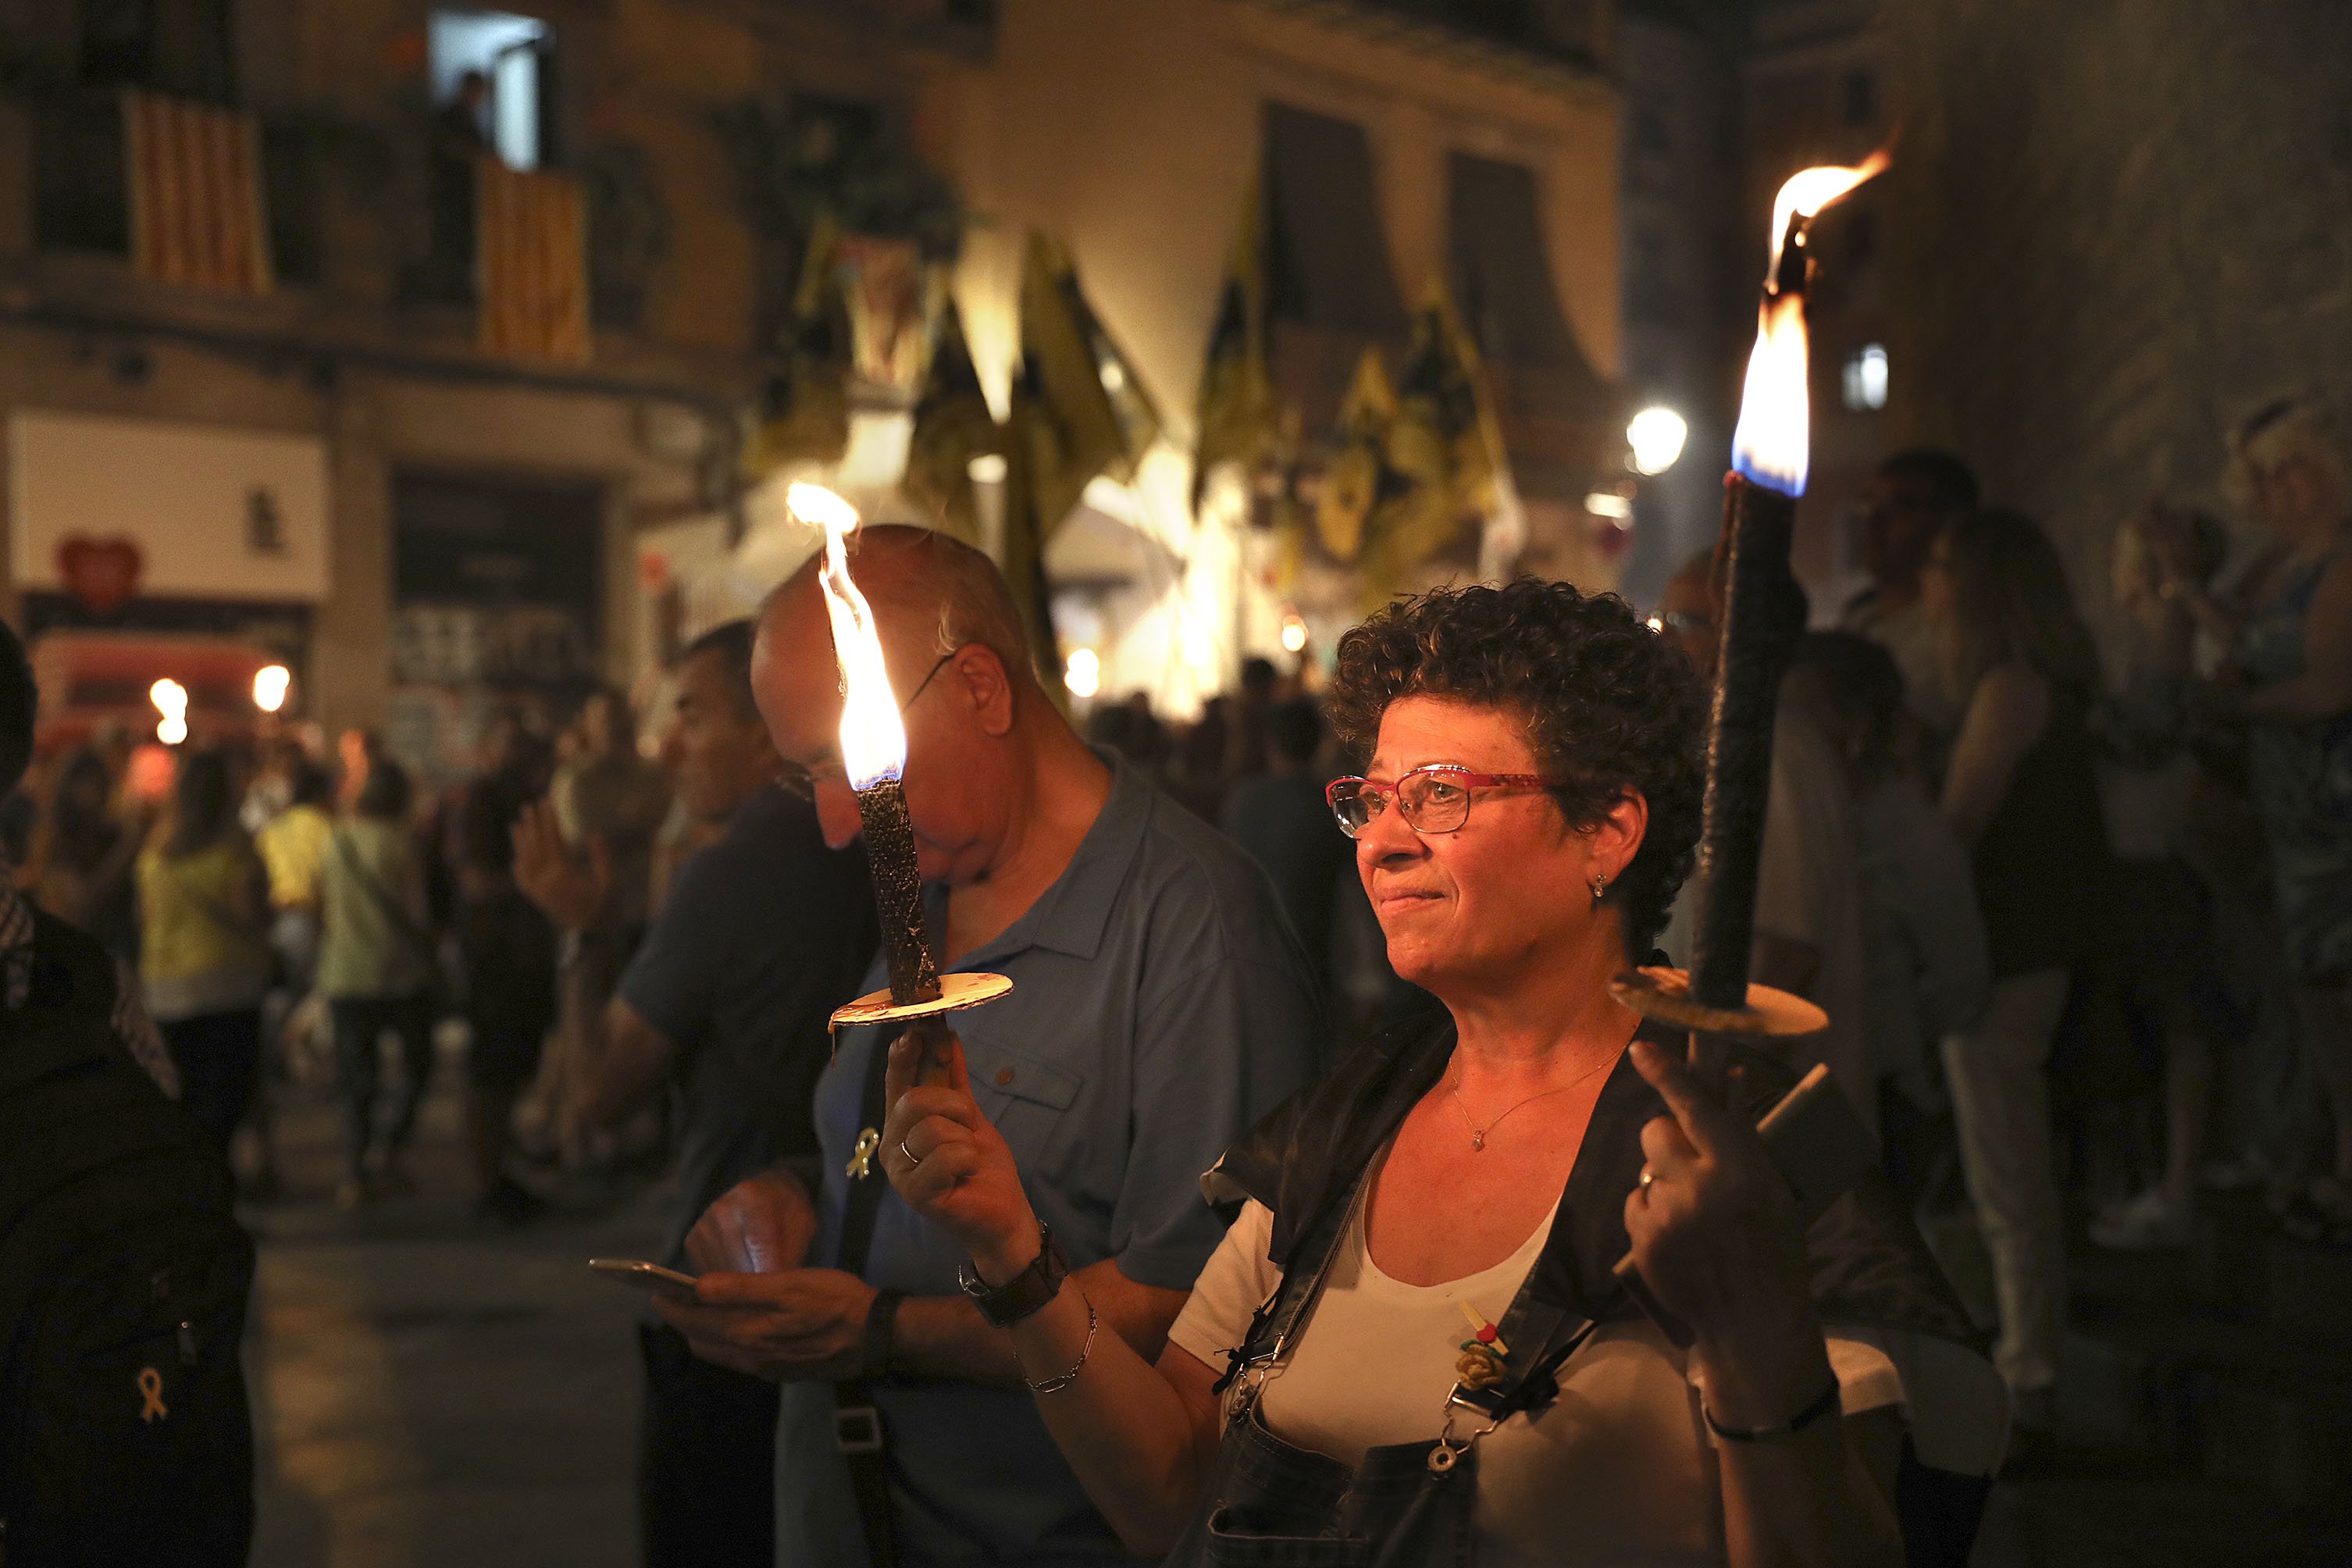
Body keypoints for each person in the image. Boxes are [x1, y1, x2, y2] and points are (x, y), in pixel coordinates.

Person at [874, 578, 2001, 1567]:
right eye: (1371, 798)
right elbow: (1166, 1496)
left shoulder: (1740, 1165)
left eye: (1444, 795)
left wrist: (1757, 1333)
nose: (1383, 840)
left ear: (1606, 830)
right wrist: (1013, 1255)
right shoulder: (1339, 1136)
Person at [655, 526, 1322, 1567]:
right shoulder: (917, 880)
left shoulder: (1194, 932)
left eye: (844, 764)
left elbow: (1197, 1309)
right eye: (806, 780)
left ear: (981, 690)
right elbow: (896, 1141)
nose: (837, 823)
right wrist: (806, 1194)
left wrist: (883, 1330)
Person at [514, 618, 877, 1568]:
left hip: (729, 1297)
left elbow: (594, 1096)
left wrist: (581, 933)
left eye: (691, 715)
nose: (668, 747)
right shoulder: (887, 843)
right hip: (865, 1280)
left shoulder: (729, 875)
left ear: (770, 730)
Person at [1922, 508, 2107, 1424]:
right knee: (2008, 1164)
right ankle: (2023, 1350)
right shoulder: (2032, 684)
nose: (1931, 585)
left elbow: (1958, 829)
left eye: (1946, 566)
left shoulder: (2010, 688)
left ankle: (2030, 1367)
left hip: (2008, 952)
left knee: (2009, 1171)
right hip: (2027, 947)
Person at [2165, 399, 2352, 1240]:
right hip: (2292, 816)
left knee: (2332, 987)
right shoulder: (2288, 562)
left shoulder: (2340, 561)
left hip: (2334, 812)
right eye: (2267, 474)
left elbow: (2326, 687)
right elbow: (2251, 640)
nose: (2281, 488)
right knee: (2312, 993)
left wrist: (2238, 707)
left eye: (2295, 467)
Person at [1658, 551, 1874, 1135]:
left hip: (1766, 1125)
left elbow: (1782, 956)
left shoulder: (1768, 756)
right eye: (1660, 622)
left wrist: (1709, 1106)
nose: (1662, 643)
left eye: (1681, 623)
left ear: (1741, 631)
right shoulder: (1747, 747)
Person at [1789, 633, 1990, 1188]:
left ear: (1855, 725)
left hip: (1883, 1087)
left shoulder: (1909, 834)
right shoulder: (1813, 816)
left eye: (1807, 713)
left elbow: (1963, 977)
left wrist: (1901, 1039)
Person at [2087, 504, 2236, 1249]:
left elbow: (2147, 737)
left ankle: (2176, 1189)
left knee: (2178, 1028)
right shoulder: (2151, 641)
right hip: (2143, 854)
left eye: (2122, 553)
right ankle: (2165, 1186)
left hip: (2152, 857)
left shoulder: (2167, 636)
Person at [316, 758, 439, 1208]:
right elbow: (418, 912)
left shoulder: (336, 841)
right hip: (400, 972)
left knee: (356, 1078)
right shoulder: (401, 844)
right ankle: (388, 1153)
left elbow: (320, 904)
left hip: (345, 972)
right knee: (415, 1068)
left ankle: (355, 1170)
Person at [137, 749, 273, 1152]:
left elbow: (145, 918)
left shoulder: (155, 852)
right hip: (228, 984)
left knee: (184, 1098)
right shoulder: (235, 846)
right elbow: (252, 914)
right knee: (226, 1098)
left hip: (165, 987)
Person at [1842, 450, 1981, 739]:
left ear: (1950, 521)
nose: (1875, 520)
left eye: (1901, 505)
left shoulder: (1963, 631)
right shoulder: (1859, 618)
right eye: (1870, 502)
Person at [1220, 697, 1352, 1000]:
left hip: (1246, 951)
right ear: (1320, 742)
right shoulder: (1328, 807)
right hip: (1313, 953)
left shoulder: (1242, 801)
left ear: (1271, 744)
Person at [24, 745, 143, 960]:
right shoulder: (56, 840)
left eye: (98, 784)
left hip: (116, 953)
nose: (94, 793)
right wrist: (126, 850)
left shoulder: (110, 834)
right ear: (69, 788)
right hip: (72, 957)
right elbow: (80, 902)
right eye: (86, 784)